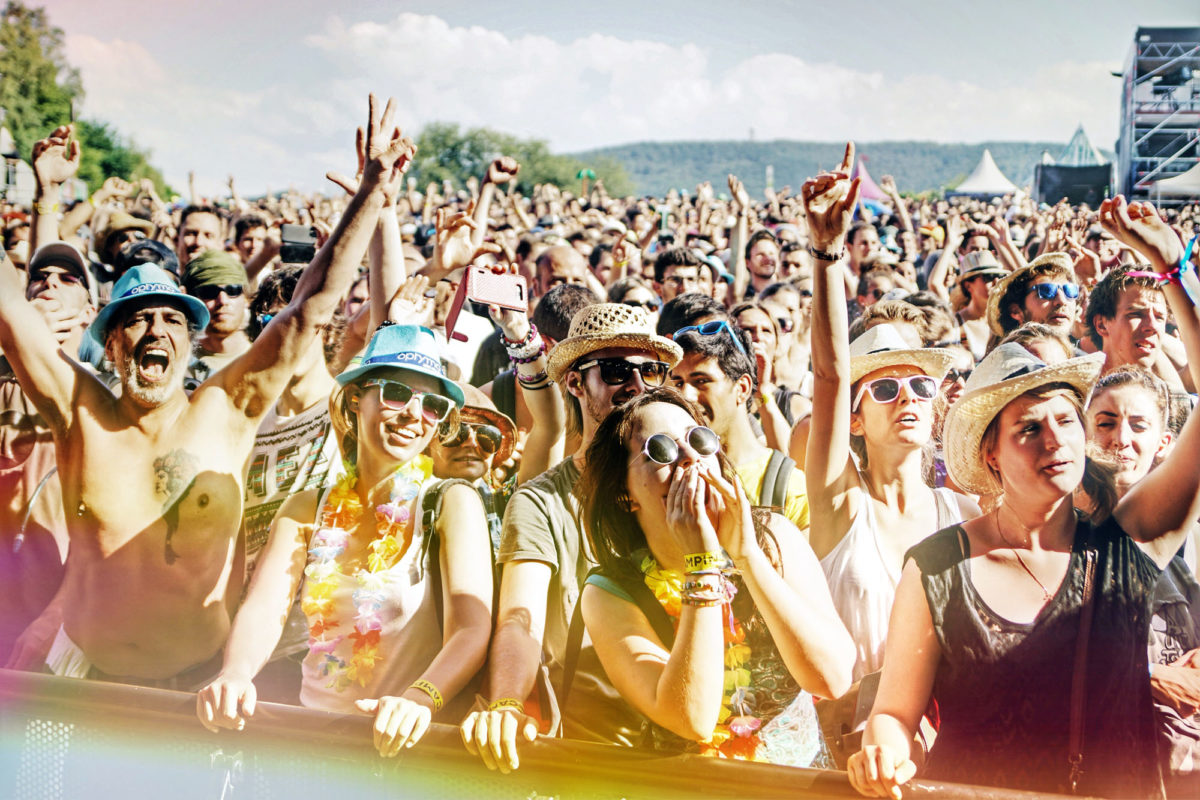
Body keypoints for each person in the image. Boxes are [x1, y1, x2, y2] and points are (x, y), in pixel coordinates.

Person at [0, 95, 415, 684]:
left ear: (191, 343)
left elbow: (308, 309)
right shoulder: (79, 412)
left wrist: (373, 193)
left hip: (200, 686)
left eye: (172, 319)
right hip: (89, 680)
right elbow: (12, 313)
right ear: (112, 344)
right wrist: (43, 196)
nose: (156, 329)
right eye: (138, 319)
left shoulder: (226, 409)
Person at [849, 195, 1200, 798]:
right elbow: (893, 713)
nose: (1054, 441)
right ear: (991, 454)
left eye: (1066, 421)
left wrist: (1174, 271)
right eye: (1028, 429)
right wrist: (882, 754)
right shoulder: (938, 567)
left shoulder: (1130, 541)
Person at [197, 324, 493, 758]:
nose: (414, 414)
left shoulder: (450, 501)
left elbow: (472, 627)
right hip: (311, 744)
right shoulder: (306, 508)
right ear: (357, 398)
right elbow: (264, 609)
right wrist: (236, 673)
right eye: (396, 393)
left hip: (402, 752)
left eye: (433, 404)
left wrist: (420, 698)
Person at [460, 303, 682, 772]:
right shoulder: (541, 501)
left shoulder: (686, 478)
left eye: (653, 371)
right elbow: (520, 620)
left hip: (696, 735)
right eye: (619, 370)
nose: (638, 385)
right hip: (597, 751)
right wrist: (506, 704)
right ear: (576, 383)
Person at [575, 389, 853, 764]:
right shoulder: (610, 592)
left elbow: (832, 678)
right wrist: (702, 563)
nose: (691, 459)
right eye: (661, 450)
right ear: (625, 495)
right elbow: (692, 720)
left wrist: (748, 556)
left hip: (797, 786)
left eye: (698, 440)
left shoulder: (774, 537)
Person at [803, 144, 978, 681]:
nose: (907, 398)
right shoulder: (839, 500)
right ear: (854, 419)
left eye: (920, 386)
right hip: (848, 746)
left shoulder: (966, 513)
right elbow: (831, 377)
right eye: (883, 390)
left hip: (947, 746)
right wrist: (828, 255)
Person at [668, 321, 810, 532]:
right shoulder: (667, 472)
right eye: (678, 383)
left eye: (701, 381)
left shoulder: (789, 486)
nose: (686, 396)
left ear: (742, 388)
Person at [183, 250, 253, 376]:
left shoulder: (265, 355)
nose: (222, 301)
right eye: (209, 292)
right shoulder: (181, 365)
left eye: (233, 290)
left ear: (246, 298)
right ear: (193, 300)